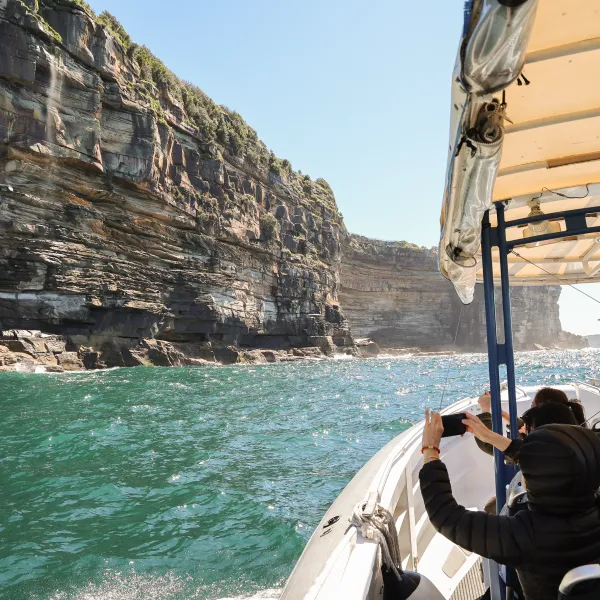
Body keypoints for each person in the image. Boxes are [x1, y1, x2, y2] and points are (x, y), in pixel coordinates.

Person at [420, 409, 600, 600]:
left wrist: (431, 450)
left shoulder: (524, 537)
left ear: (539, 480)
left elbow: (447, 516)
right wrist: (488, 436)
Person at [475, 387, 587, 457]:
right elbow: (525, 427)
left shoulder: (535, 450)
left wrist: (485, 409)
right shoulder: (581, 436)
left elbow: (491, 446)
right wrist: (502, 414)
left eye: (533, 407)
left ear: (541, 413)